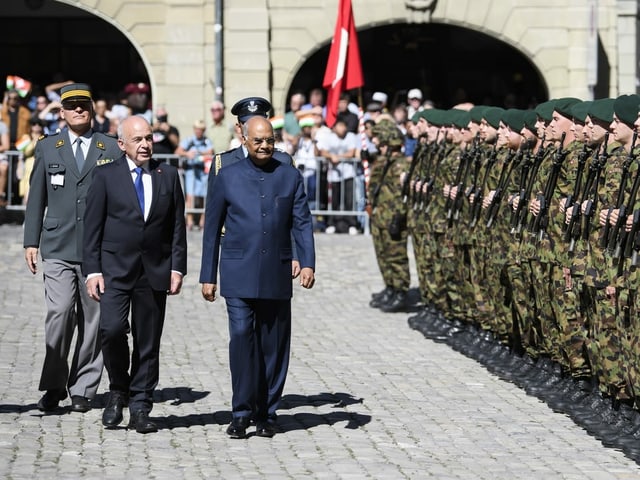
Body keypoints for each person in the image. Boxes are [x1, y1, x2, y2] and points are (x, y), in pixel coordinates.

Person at [200, 116, 315, 439]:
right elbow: (211, 228)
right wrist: (208, 274)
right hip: (238, 273)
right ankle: (241, 412)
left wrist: (307, 262)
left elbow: (302, 221)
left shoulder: (289, 175)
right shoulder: (228, 176)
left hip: (276, 273)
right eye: (258, 141)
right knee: (241, 338)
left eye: (269, 140)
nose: (264, 146)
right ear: (245, 140)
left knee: (273, 346)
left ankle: (267, 412)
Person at [83, 115, 187, 434]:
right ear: (122, 145)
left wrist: (177, 267)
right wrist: (92, 271)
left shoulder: (167, 175)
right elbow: (92, 229)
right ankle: (118, 390)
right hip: (114, 269)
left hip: (154, 270)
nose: (145, 144)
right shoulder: (105, 176)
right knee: (112, 330)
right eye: (138, 139)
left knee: (147, 340)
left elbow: (177, 227)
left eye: (149, 138)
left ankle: (141, 404)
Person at [23, 83, 121, 412]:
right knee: (60, 313)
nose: (79, 109)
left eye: (84, 104)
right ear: (61, 112)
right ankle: (53, 385)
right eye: (72, 105)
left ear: (93, 110)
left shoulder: (110, 147)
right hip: (58, 244)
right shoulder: (49, 147)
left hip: (99, 248)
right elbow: (37, 196)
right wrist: (31, 240)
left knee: (93, 320)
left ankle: (84, 387)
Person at [317, 118, 360, 234]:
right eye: (340, 126)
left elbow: (351, 152)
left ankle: (352, 224)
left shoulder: (351, 136)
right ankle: (332, 223)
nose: (343, 129)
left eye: (344, 126)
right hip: (333, 175)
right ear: (335, 127)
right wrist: (331, 156)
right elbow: (323, 151)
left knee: (349, 200)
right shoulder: (329, 137)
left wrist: (338, 157)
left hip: (348, 173)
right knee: (333, 200)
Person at [175, 119, 214, 230]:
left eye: (200, 130)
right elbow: (177, 151)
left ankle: (202, 221)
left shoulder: (206, 141)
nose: (198, 132)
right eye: (196, 129)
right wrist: (187, 153)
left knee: (203, 196)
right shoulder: (189, 140)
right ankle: (190, 220)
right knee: (190, 195)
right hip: (191, 171)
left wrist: (200, 153)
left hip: (202, 171)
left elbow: (211, 151)